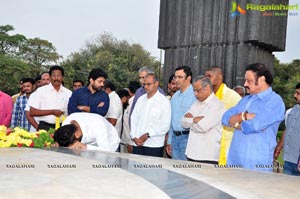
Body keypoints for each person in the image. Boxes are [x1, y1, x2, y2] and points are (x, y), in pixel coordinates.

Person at [222, 63, 285, 172]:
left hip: (257, 164)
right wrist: (245, 116)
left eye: (249, 80)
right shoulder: (245, 100)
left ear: (261, 79)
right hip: (234, 161)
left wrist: (236, 122)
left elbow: (255, 126)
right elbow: (225, 118)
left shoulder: (275, 101)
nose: (245, 84)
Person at [181, 76, 225, 164]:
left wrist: (190, 120)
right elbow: (183, 122)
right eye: (194, 91)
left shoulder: (217, 105)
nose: (195, 94)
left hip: (207, 155)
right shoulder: (196, 103)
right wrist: (195, 120)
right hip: (191, 153)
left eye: (198, 90)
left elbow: (202, 127)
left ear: (207, 87)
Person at [205, 66, 241, 165]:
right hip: (209, 144)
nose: (206, 79)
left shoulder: (232, 96)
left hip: (226, 143)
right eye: (205, 76)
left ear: (219, 77)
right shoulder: (206, 96)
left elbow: (240, 121)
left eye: (209, 76)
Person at [131, 73, 171, 157]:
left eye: (148, 84)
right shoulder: (140, 99)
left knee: (152, 170)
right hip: (137, 143)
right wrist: (134, 136)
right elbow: (133, 118)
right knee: (134, 169)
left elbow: (165, 125)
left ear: (156, 84)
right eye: (144, 84)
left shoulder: (164, 101)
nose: (145, 87)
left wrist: (148, 134)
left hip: (154, 145)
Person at [28, 65, 72, 131]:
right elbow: (32, 112)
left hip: (63, 127)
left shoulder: (68, 93)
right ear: (50, 77)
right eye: (54, 75)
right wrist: (52, 112)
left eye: (59, 75)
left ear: (62, 77)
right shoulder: (41, 91)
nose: (56, 78)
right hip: (44, 126)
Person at [166, 66, 196, 160]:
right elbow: (172, 121)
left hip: (189, 138)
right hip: (175, 138)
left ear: (189, 78)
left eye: (180, 77)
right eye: (175, 77)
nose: (176, 80)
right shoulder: (174, 97)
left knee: (187, 171)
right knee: (175, 172)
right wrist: (169, 141)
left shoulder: (195, 95)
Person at [53, 112, 120, 152]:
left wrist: (86, 147)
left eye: (71, 145)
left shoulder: (97, 125)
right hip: (86, 143)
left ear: (77, 134)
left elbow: (107, 151)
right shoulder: (67, 122)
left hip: (109, 144)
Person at [274, 83, 300, 176]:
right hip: (289, 160)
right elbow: (287, 130)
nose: (295, 95)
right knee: (287, 189)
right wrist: (278, 148)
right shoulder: (292, 111)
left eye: (298, 93)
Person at [120, 81, 140, 153]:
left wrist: (130, 142)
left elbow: (129, 124)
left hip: (130, 142)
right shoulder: (138, 101)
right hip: (133, 140)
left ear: (129, 90)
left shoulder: (131, 102)